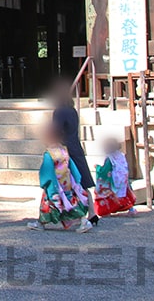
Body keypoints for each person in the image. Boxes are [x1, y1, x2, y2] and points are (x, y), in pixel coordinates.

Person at [50, 77, 99, 227]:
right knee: (82, 181)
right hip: (76, 146)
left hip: (64, 149)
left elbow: (56, 130)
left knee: (66, 182)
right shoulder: (72, 110)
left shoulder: (59, 112)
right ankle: (92, 212)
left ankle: (72, 215)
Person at [27, 123, 90, 232]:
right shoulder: (63, 150)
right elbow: (71, 165)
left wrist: (46, 182)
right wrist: (77, 179)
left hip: (55, 184)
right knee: (70, 202)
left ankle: (41, 223)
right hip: (66, 182)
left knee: (48, 204)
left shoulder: (49, 154)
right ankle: (83, 220)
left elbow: (47, 171)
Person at [94, 138, 138, 217]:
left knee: (108, 193)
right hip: (123, 178)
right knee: (124, 194)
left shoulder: (110, 158)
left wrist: (97, 168)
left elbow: (105, 170)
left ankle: (107, 211)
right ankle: (131, 209)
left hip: (114, 180)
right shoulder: (121, 155)